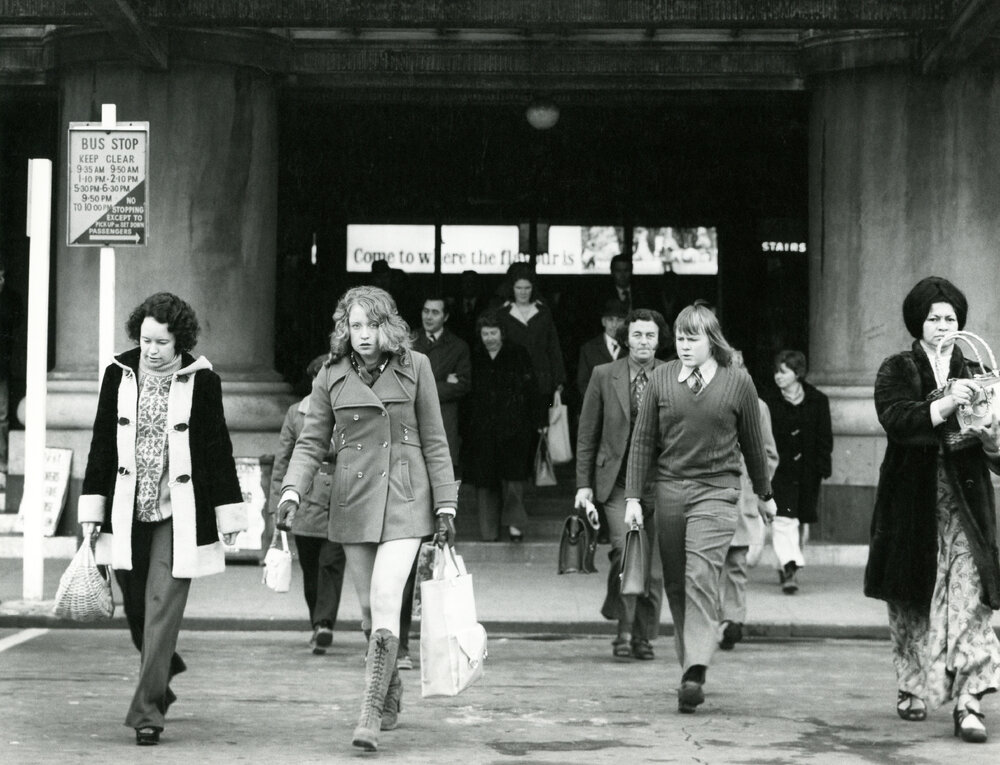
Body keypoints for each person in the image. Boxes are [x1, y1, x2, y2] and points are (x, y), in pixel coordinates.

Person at [277, 285, 457, 752]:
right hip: (353, 496)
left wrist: (446, 504)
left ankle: (369, 714)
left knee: (384, 594)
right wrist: (292, 490)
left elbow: (435, 440)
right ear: (345, 328)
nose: (363, 335)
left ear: (389, 326)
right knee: (367, 611)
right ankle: (390, 686)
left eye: (372, 325)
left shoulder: (416, 367)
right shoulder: (330, 374)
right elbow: (311, 440)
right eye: (355, 325)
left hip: (404, 495)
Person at [78, 292, 247, 746]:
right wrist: (91, 509)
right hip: (126, 510)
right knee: (136, 610)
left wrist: (229, 513)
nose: (151, 350)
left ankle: (147, 713)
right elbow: (100, 444)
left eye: (161, 343)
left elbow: (217, 450)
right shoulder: (118, 376)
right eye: (145, 340)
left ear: (180, 342)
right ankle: (163, 668)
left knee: (161, 611)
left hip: (179, 513)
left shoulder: (202, 381)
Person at [864, 276, 1000, 743]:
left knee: (973, 599)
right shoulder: (897, 368)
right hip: (911, 500)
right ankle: (912, 685)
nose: (943, 326)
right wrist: (945, 403)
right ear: (918, 323)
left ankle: (969, 700)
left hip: (966, 503)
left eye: (950, 317)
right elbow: (897, 420)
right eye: (934, 318)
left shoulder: (978, 367)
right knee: (911, 596)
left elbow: (996, 449)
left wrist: (990, 429)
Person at [624, 301, 777, 714]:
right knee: (676, 584)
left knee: (700, 576)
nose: (685, 346)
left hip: (718, 491)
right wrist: (634, 499)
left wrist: (763, 494)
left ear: (712, 340)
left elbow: (753, 444)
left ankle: (695, 671)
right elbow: (641, 442)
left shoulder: (738, 382)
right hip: (670, 491)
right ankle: (689, 665)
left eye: (694, 338)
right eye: (680, 338)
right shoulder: (660, 378)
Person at [576, 309, 668, 660]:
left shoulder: (671, 374)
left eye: (650, 335)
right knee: (626, 553)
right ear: (625, 339)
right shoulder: (604, 374)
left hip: (658, 482)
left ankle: (640, 636)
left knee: (654, 569)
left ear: (659, 339)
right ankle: (625, 630)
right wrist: (583, 484)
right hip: (615, 483)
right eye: (637, 335)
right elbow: (587, 433)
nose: (643, 342)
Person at [398, 295, 471, 669]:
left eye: (435, 312)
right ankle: (397, 640)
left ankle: (429, 636)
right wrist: (442, 383)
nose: (429, 317)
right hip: (404, 463)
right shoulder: (407, 346)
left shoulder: (457, 346)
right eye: (424, 311)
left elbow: (464, 385)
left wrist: (430, 387)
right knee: (405, 563)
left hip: (443, 445)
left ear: (446, 315)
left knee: (436, 548)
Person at [269, 354, 346, 655]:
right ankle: (317, 623)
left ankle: (324, 623)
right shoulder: (295, 413)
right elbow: (284, 460)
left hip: (342, 495)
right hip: (307, 497)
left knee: (331, 563)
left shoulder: (349, 408)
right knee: (312, 567)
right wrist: (279, 501)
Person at [463, 310, 545, 542]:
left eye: (493, 332)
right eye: (485, 333)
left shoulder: (518, 354)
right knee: (484, 484)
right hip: (482, 432)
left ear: (502, 333)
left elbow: (534, 390)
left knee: (514, 482)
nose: (489, 337)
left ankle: (515, 528)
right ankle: (488, 532)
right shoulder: (475, 356)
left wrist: (539, 420)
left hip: (515, 429)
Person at [718, 350, 779, 650]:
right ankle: (714, 620)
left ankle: (732, 621)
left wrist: (758, 486)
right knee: (709, 565)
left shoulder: (758, 407)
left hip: (741, 497)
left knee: (737, 564)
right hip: (711, 495)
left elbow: (769, 453)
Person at [764, 349, 833, 594]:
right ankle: (789, 568)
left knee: (800, 522)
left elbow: (825, 436)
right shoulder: (768, 402)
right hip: (779, 472)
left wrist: (823, 466)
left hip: (807, 472)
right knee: (783, 519)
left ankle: (787, 564)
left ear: (797, 373)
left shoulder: (818, 400)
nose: (777, 377)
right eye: (776, 372)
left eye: (783, 372)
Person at [498, 264, 566, 414]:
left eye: (527, 288)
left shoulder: (543, 312)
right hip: (511, 381)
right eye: (519, 288)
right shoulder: (502, 314)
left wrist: (559, 379)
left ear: (533, 288)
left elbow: (553, 346)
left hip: (541, 380)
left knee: (540, 427)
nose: (523, 292)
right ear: (512, 288)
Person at [576, 299, 627, 402]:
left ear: (625, 323)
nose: (614, 325)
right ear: (603, 322)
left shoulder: (632, 348)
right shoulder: (589, 349)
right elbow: (583, 383)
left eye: (619, 320)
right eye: (610, 320)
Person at [0, 262, 23, 473]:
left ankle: (2, 463)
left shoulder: (10, 298)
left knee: (2, 416)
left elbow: (13, 321)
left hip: (2, 367)